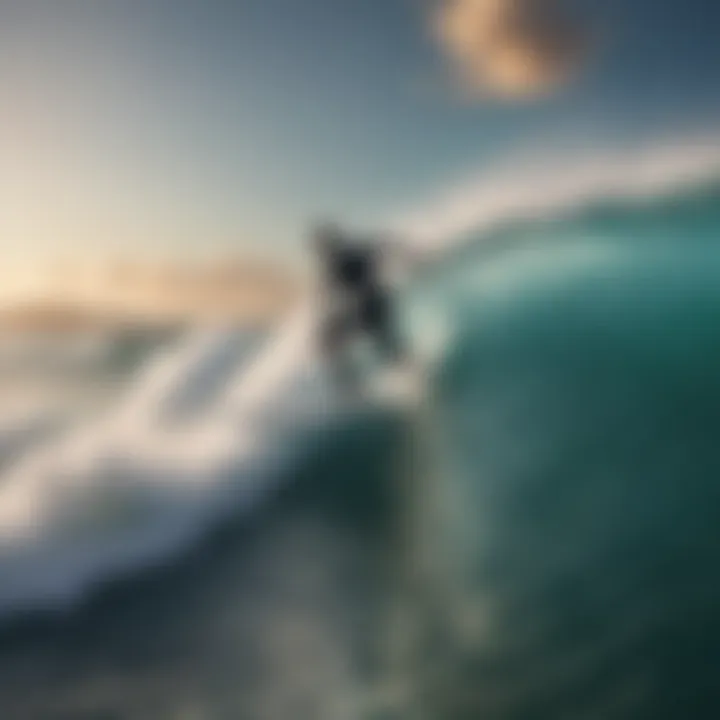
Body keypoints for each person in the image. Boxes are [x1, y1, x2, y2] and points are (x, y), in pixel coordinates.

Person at [312, 222, 406, 384]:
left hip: (371, 306)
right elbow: (328, 290)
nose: (323, 251)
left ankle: (405, 371)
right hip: (366, 307)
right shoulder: (336, 261)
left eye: (324, 245)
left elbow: (380, 249)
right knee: (329, 340)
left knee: (382, 342)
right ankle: (350, 382)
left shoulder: (348, 255)